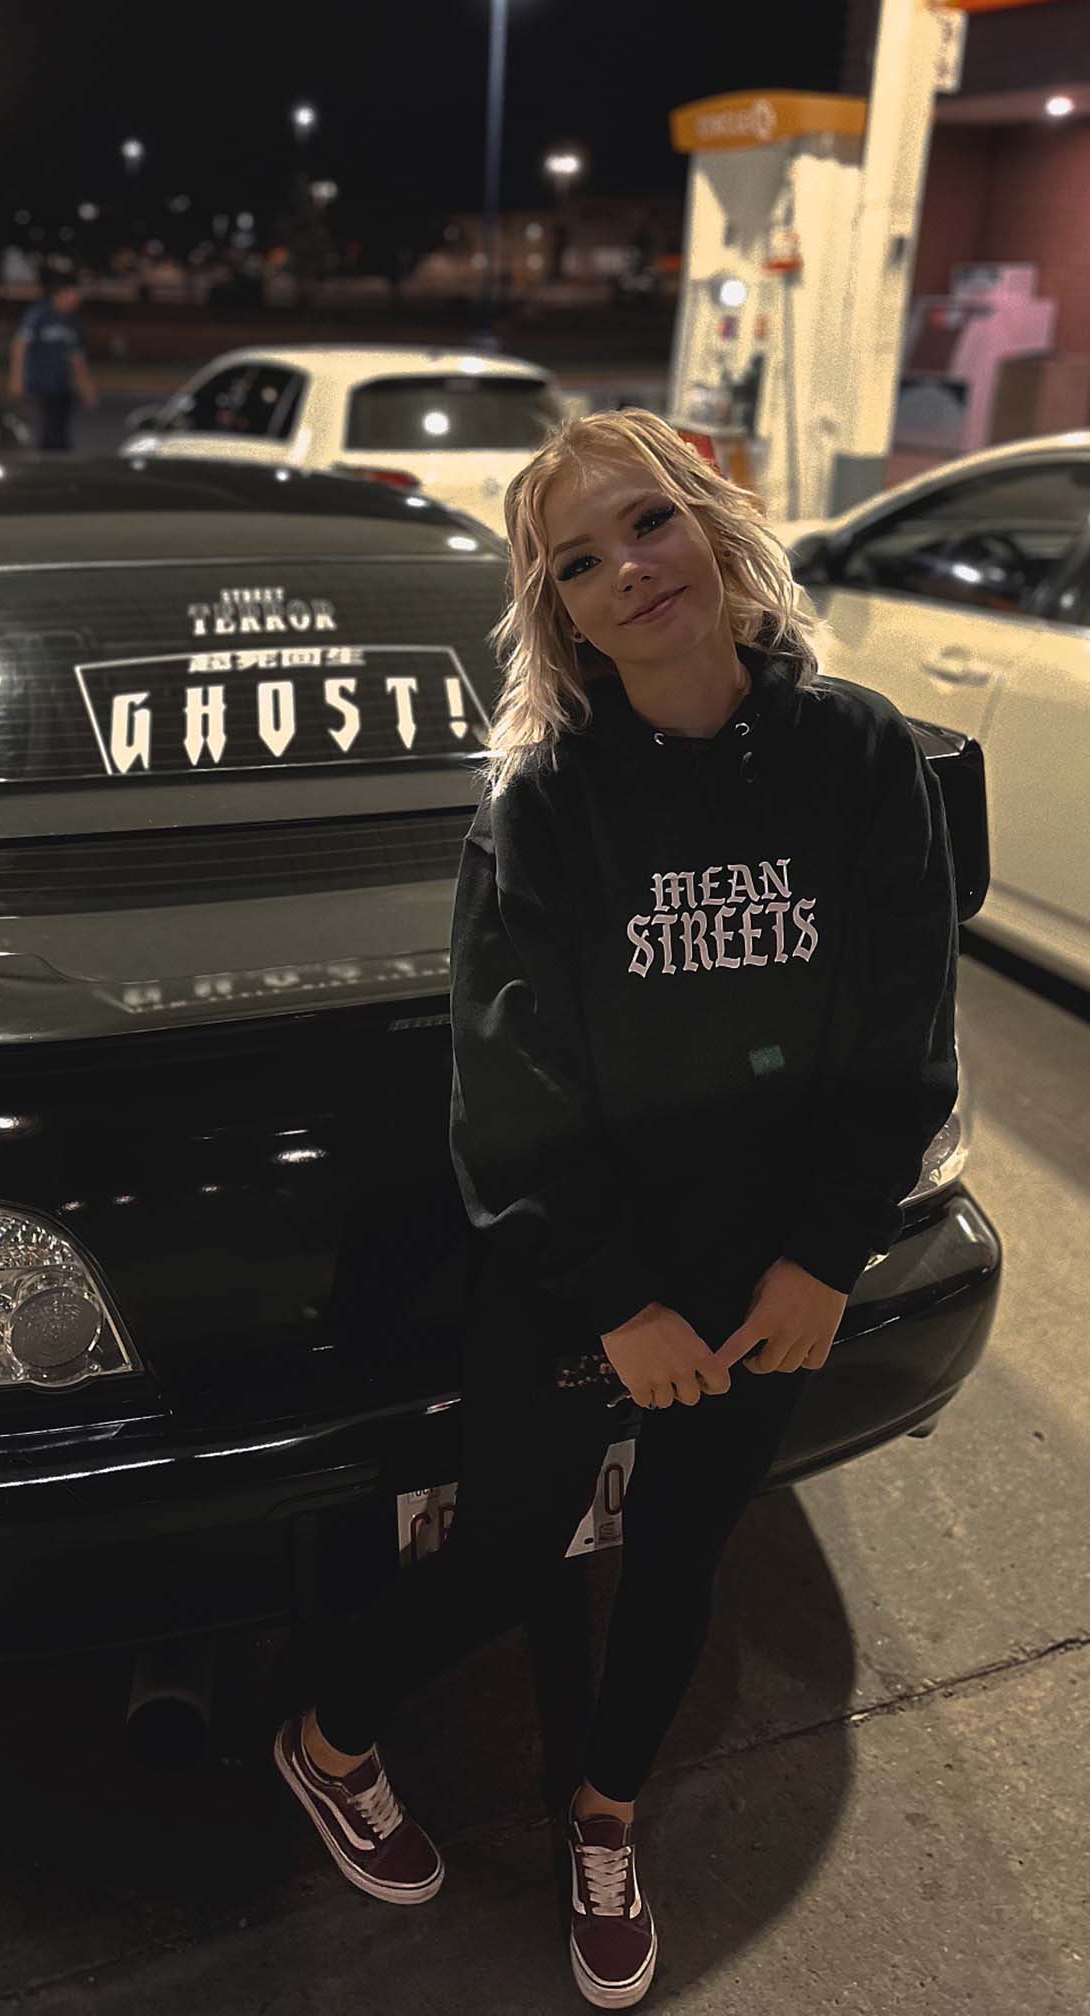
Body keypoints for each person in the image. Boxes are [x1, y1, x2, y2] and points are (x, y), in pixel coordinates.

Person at [273, 409, 959, 2007]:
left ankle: (603, 1816)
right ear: (562, 615)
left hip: (771, 1273)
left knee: (682, 1550)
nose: (629, 572)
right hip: (583, 1278)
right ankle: (326, 1739)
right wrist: (615, 1299)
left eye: (647, 523)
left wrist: (823, 1258)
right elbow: (507, 1092)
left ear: (712, 521)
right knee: (509, 1552)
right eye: (577, 563)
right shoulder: (545, 809)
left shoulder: (860, 755)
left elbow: (900, 1035)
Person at [7, 270, 98, 451]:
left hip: (61, 386)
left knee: (60, 429)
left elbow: (77, 358)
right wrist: (16, 379)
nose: (78, 298)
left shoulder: (73, 321)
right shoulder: (39, 314)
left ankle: (59, 457)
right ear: (60, 293)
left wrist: (86, 387)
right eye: (74, 292)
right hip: (39, 386)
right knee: (46, 430)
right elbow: (19, 344)